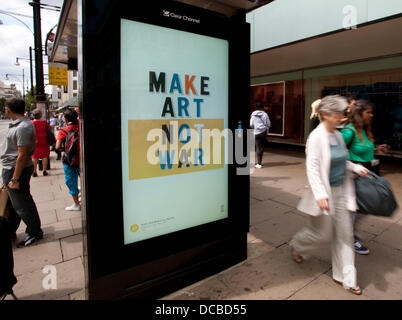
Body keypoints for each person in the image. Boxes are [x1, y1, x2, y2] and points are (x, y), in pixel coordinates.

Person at [289, 95, 368, 295]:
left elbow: (342, 161)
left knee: (345, 236)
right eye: (338, 114)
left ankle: (347, 278)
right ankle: (297, 245)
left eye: (343, 113)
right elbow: (313, 167)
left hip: (342, 192)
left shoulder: (339, 136)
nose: (342, 117)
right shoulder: (316, 137)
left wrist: (355, 167)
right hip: (324, 193)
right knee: (321, 234)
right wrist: (320, 194)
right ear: (325, 115)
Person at [340, 99, 388, 255]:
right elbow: (336, 155)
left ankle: (349, 232)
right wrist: (353, 167)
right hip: (354, 176)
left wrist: (377, 149)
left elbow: (363, 149)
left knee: (365, 207)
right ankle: (349, 238)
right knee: (356, 208)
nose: (371, 115)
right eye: (368, 112)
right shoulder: (349, 131)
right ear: (359, 114)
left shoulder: (364, 130)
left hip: (367, 173)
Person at [0, 98, 43, 247]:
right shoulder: (21, 125)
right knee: (15, 203)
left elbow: (22, 154)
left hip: (15, 169)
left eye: (6, 108)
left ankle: (34, 231)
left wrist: (15, 178)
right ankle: (10, 229)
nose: (5, 110)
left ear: (9, 110)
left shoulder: (23, 127)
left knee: (22, 203)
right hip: (13, 168)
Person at [56, 109, 81, 211]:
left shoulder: (63, 131)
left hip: (70, 160)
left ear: (65, 119)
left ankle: (76, 204)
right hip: (82, 159)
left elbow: (57, 147)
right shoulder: (81, 127)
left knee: (71, 181)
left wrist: (65, 149)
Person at [250, 101, 271, 168]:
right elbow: (269, 124)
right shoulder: (265, 114)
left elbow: (251, 124)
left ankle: (259, 164)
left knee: (258, 147)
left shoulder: (253, 115)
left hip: (256, 132)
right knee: (262, 147)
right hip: (263, 132)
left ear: (255, 107)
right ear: (262, 107)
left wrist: (256, 127)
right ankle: (259, 162)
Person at [31, 109, 50, 177]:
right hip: (44, 140)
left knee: (34, 156)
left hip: (35, 141)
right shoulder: (44, 122)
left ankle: (34, 171)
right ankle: (44, 171)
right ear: (40, 115)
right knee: (44, 155)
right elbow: (48, 129)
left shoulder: (32, 123)